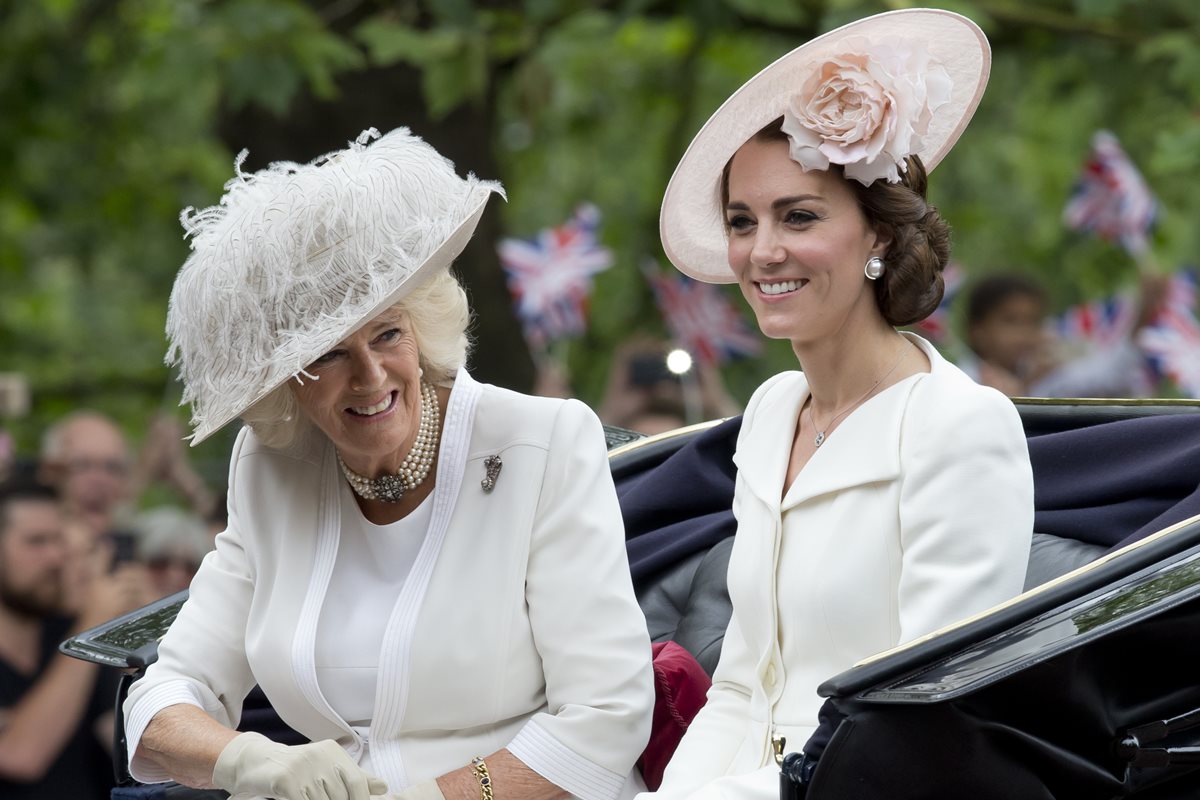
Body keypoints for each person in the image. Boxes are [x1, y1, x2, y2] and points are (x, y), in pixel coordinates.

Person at [122, 127, 653, 800]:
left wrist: (429, 798)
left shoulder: (541, 439)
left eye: (388, 334)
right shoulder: (272, 466)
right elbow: (163, 696)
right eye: (330, 356)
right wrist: (250, 762)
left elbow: (606, 720)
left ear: (422, 328)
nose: (371, 377)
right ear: (286, 381)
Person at [642, 9, 1034, 798]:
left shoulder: (960, 425)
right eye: (742, 222)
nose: (763, 252)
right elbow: (738, 689)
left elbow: (920, 721)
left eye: (800, 216)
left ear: (879, 238)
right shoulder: (772, 409)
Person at [0, 478, 144, 800]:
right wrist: (92, 622)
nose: (56, 558)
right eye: (36, 542)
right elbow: (19, 755)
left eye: (58, 542)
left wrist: (140, 636)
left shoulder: (65, 633)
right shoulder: (79, 638)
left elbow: (136, 749)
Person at [963, 272, 1165, 398]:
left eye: (1033, 322)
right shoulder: (963, 380)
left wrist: (1141, 318)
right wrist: (1025, 387)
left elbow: (1106, 377)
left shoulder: (1043, 375)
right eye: (1011, 321)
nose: (1024, 334)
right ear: (978, 332)